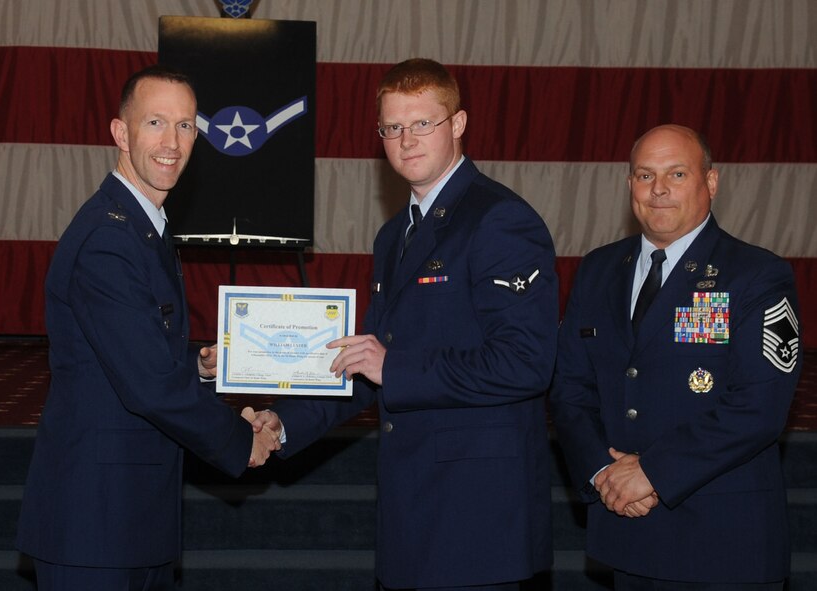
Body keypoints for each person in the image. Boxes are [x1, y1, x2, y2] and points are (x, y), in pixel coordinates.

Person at [253, 58, 558, 590]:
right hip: (412, 510)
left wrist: (395, 367)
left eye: (423, 123)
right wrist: (283, 422)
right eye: (392, 127)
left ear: (458, 124)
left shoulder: (499, 220)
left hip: (478, 518)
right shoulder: (395, 236)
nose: (406, 140)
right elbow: (367, 362)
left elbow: (525, 363)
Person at [16, 65, 281, 591]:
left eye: (185, 126)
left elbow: (127, 355)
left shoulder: (143, 228)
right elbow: (148, 385)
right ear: (121, 132)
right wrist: (238, 440)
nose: (172, 142)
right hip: (94, 525)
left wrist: (196, 365)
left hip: (130, 518)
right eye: (155, 122)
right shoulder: (108, 239)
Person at [550, 124, 802, 590]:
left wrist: (652, 471)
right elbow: (569, 389)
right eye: (645, 175)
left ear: (710, 182)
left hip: (723, 543)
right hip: (627, 532)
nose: (659, 190)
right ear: (630, 186)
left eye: (677, 174)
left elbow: (759, 408)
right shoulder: (599, 269)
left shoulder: (756, 274)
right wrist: (603, 471)